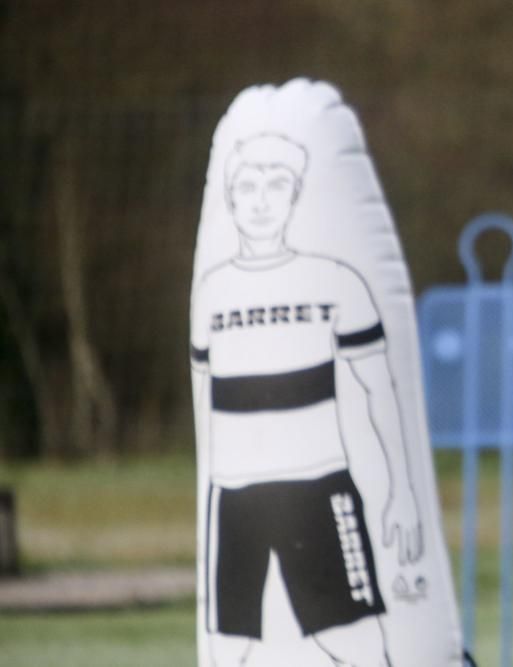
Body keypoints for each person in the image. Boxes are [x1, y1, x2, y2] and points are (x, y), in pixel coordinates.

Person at [191, 133, 423, 666]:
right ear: (229, 198)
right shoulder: (213, 292)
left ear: (296, 197)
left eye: (277, 186)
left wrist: (402, 491)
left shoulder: (334, 281)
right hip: (235, 497)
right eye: (247, 186)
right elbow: (205, 400)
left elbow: (378, 389)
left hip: (319, 490)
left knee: (354, 640)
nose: (261, 200)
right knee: (231, 649)